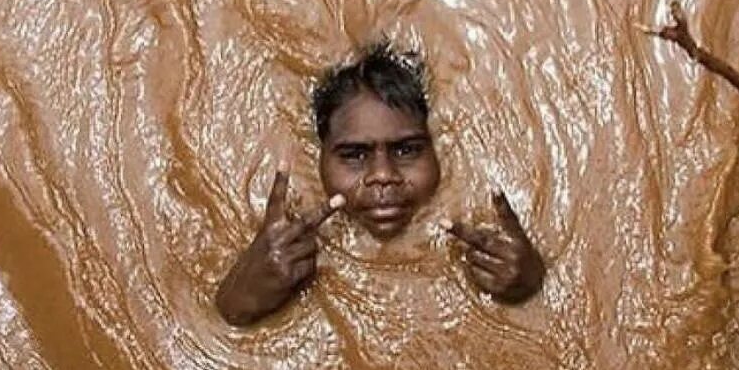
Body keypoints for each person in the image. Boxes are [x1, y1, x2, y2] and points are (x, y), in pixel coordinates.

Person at [214, 42, 545, 326]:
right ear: (318, 157)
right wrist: (239, 299)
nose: (383, 175)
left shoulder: (477, 221)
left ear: (437, 149)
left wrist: (529, 280)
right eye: (355, 154)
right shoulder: (281, 235)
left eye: (406, 150)